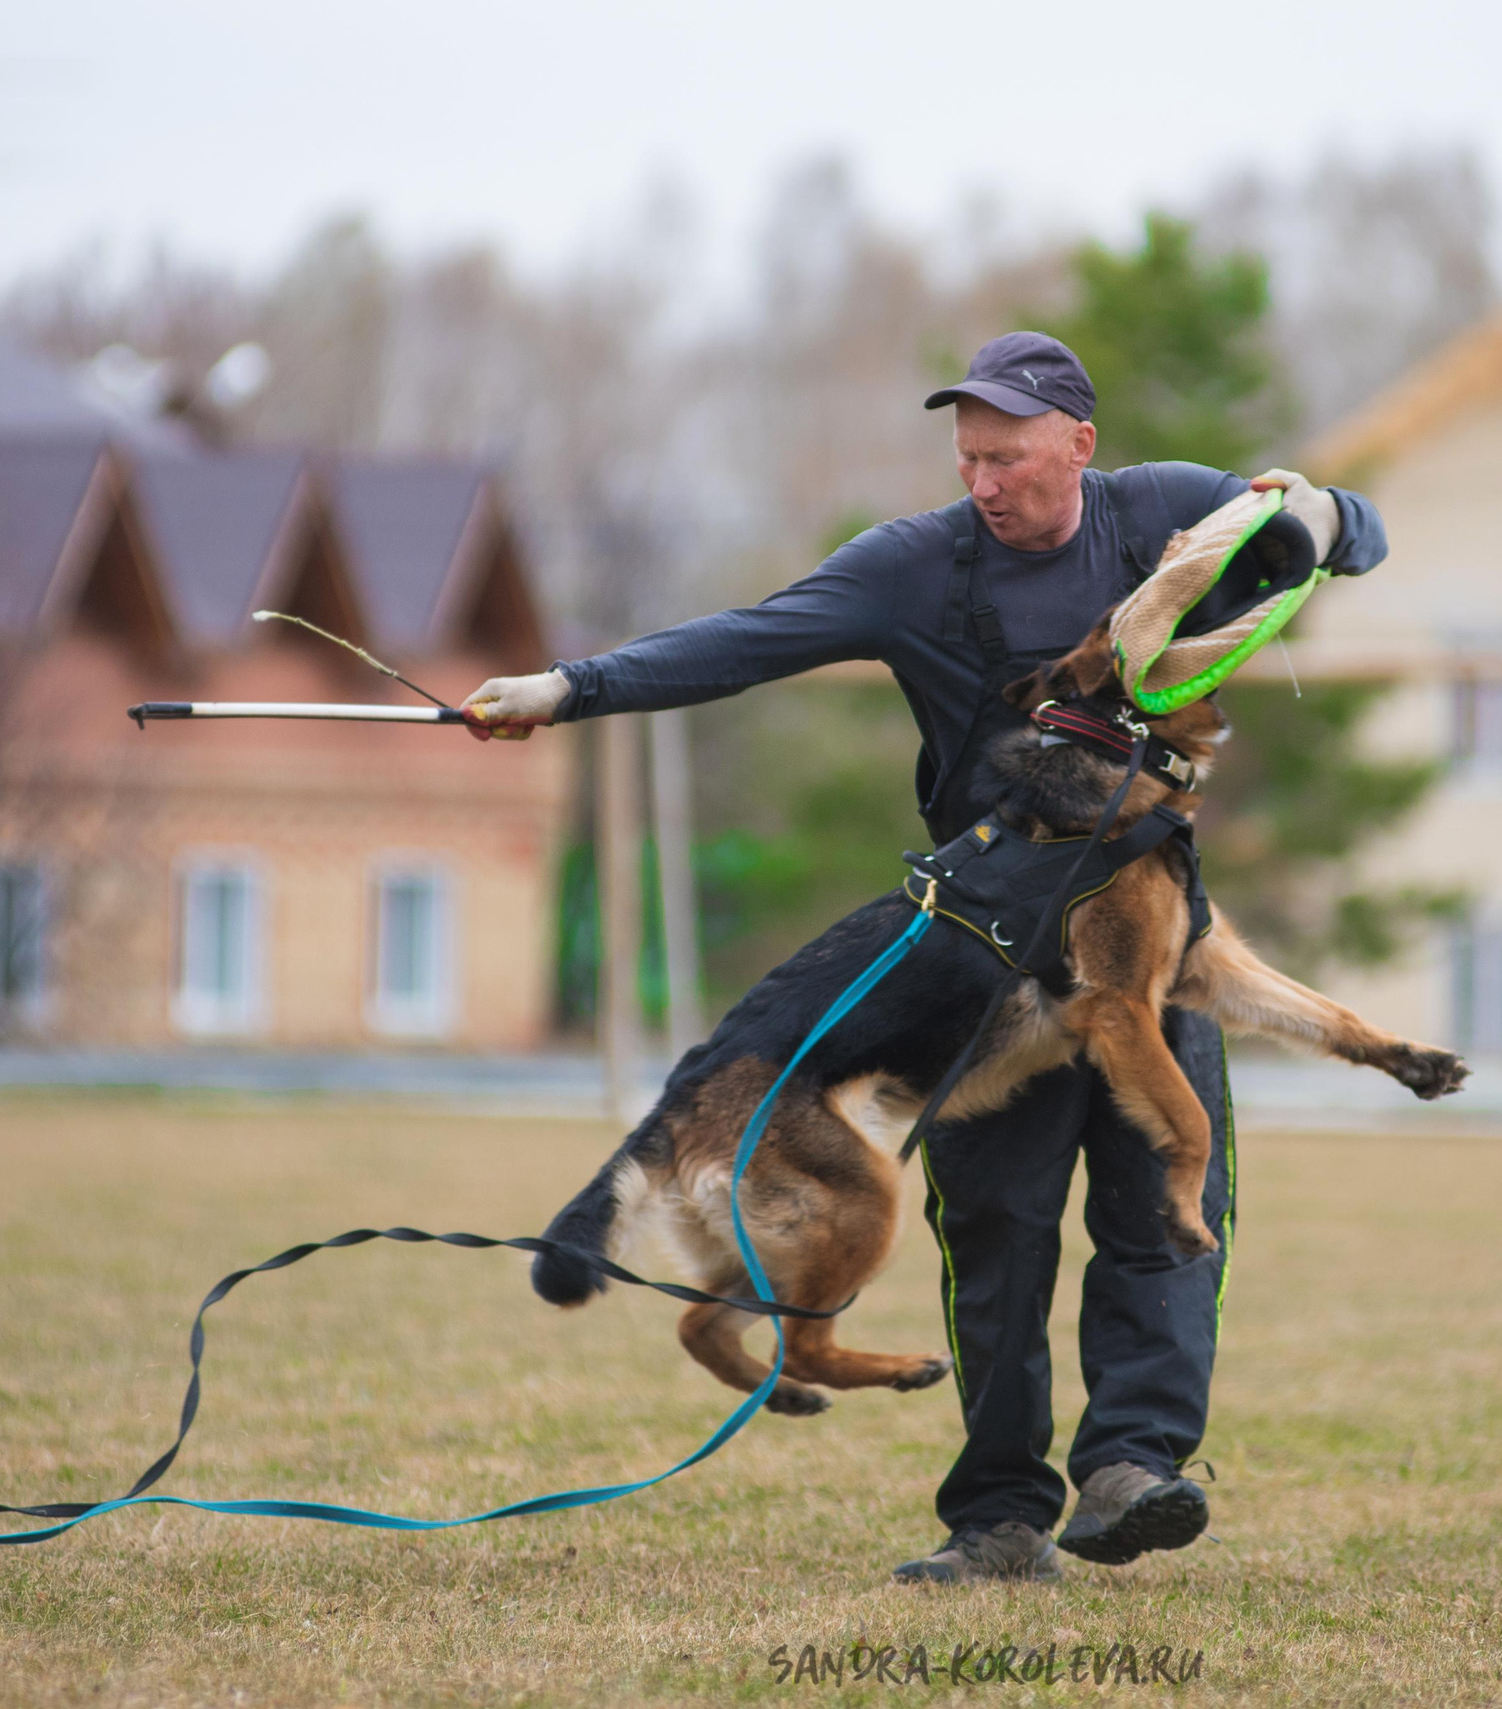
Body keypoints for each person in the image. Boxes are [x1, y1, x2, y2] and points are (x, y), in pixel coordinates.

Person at [466, 332, 1386, 1584]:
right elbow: (748, 638)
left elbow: (1342, 539)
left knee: (1166, 1213)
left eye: (1006, 454)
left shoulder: (1170, 512)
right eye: (967, 456)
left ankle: (1134, 1466)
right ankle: (1001, 1520)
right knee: (997, 1235)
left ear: (1079, 444)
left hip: (1137, 923)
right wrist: (568, 686)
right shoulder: (911, 566)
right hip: (982, 962)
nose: (983, 479)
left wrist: (1319, 506)